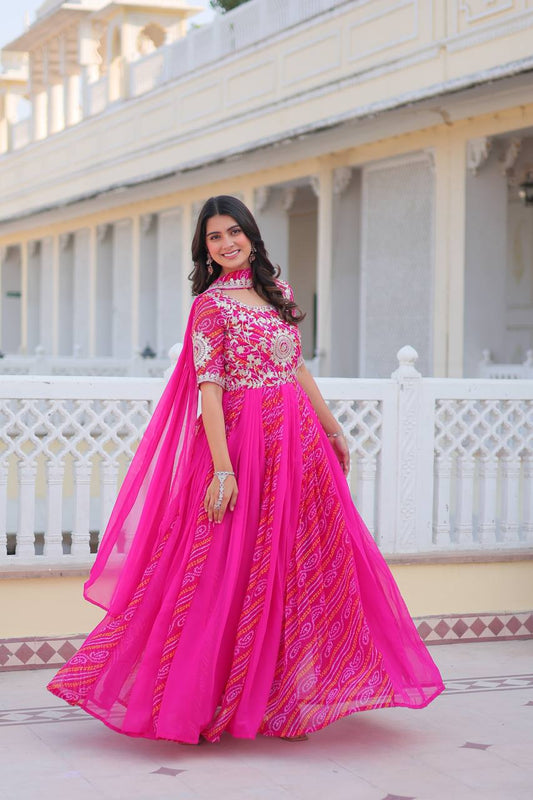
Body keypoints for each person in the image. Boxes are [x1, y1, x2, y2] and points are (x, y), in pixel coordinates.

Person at [47, 195, 444, 744]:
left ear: (251, 235)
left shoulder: (277, 293)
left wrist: (331, 429)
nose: (226, 243)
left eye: (234, 232)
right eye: (214, 237)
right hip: (244, 442)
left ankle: (279, 699)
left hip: (297, 438)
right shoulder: (211, 306)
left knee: (293, 561)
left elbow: (296, 366)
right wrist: (224, 470)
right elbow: (209, 391)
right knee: (226, 567)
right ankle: (213, 698)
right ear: (204, 249)